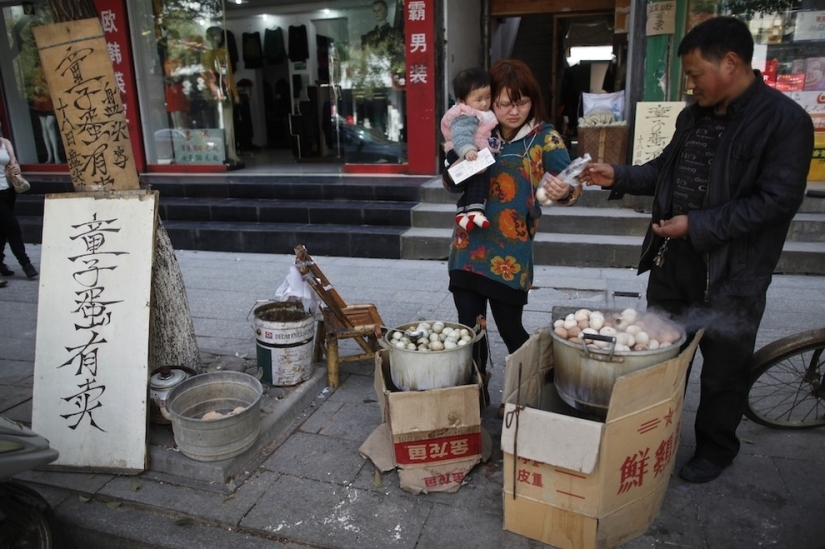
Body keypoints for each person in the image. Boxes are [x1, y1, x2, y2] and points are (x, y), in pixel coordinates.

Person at [580, 16, 814, 483]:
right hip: (674, 262)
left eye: (694, 73)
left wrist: (698, 225)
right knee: (658, 358)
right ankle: (650, 435)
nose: (690, 83)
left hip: (733, 275)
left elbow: (775, 202)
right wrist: (619, 175)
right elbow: (665, 171)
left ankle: (716, 447)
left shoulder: (785, 122)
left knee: (724, 371)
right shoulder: (694, 116)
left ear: (731, 63)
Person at [446, 59, 580, 408]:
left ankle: (532, 395)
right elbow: (449, 181)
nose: (512, 110)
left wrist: (563, 190)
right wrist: (460, 160)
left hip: (511, 255)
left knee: (510, 330)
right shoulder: (477, 131)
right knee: (469, 331)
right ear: (489, 101)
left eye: (520, 102)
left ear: (532, 100)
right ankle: (474, 401)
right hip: (468, 247)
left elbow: (570, 182)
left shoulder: (544, 138)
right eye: (502, 103)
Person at [441, 67, 501, 231]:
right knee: (480, 180)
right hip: (463, 152)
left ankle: (462, 213)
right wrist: (467, 151)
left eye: (488, 97)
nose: (484, 103)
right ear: (462, 100)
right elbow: (461, 134)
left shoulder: (481, 112)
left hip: (471, 152)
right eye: (479, 99)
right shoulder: (466, 114)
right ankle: (475, 210)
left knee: (472, 183)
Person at [0, 125, 38, 280]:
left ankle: (0, 263)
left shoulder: (5, 143)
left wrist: (15, 168)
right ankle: (26, 264)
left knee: (2, 230)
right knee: (13, 227)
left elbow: (14, 165)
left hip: (9, 191)